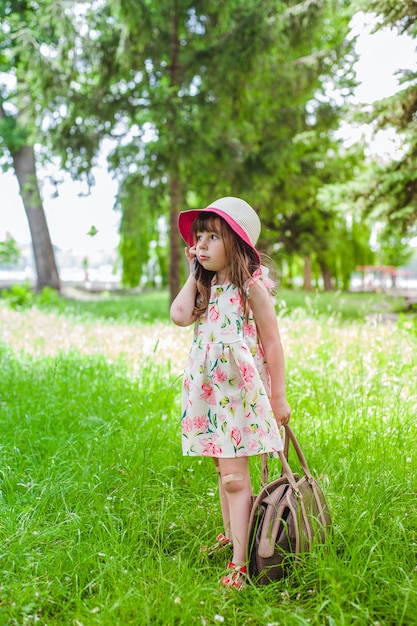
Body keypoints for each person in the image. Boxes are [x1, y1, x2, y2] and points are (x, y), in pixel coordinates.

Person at [170, 196, 291, 590]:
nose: (200, 245)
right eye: (197, 238)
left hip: (239, 396)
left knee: (236, 479)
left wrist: (279, 397)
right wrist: (193, 273)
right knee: (224, 472)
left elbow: (272, 345)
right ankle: (230, 534)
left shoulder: (250, 288)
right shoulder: (205, 287)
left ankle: (240, 563)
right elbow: (178, 316)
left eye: (211, 237)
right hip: (209, 396)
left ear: (235, 244)